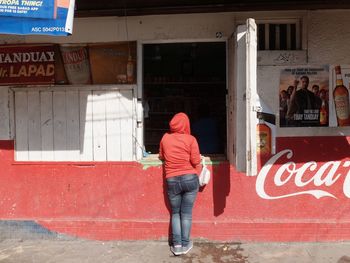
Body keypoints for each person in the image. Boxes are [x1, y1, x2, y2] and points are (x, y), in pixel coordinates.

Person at [159, 112, 201, 256]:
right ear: (186, 124)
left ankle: (177, 246)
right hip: (190, 179)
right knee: (187, 214)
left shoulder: (165, 138)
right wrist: (197, 172)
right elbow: (196, 161)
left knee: (175, 213)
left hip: (172, 180)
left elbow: (161, 156)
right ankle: (185, 243)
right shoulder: (191, 139)